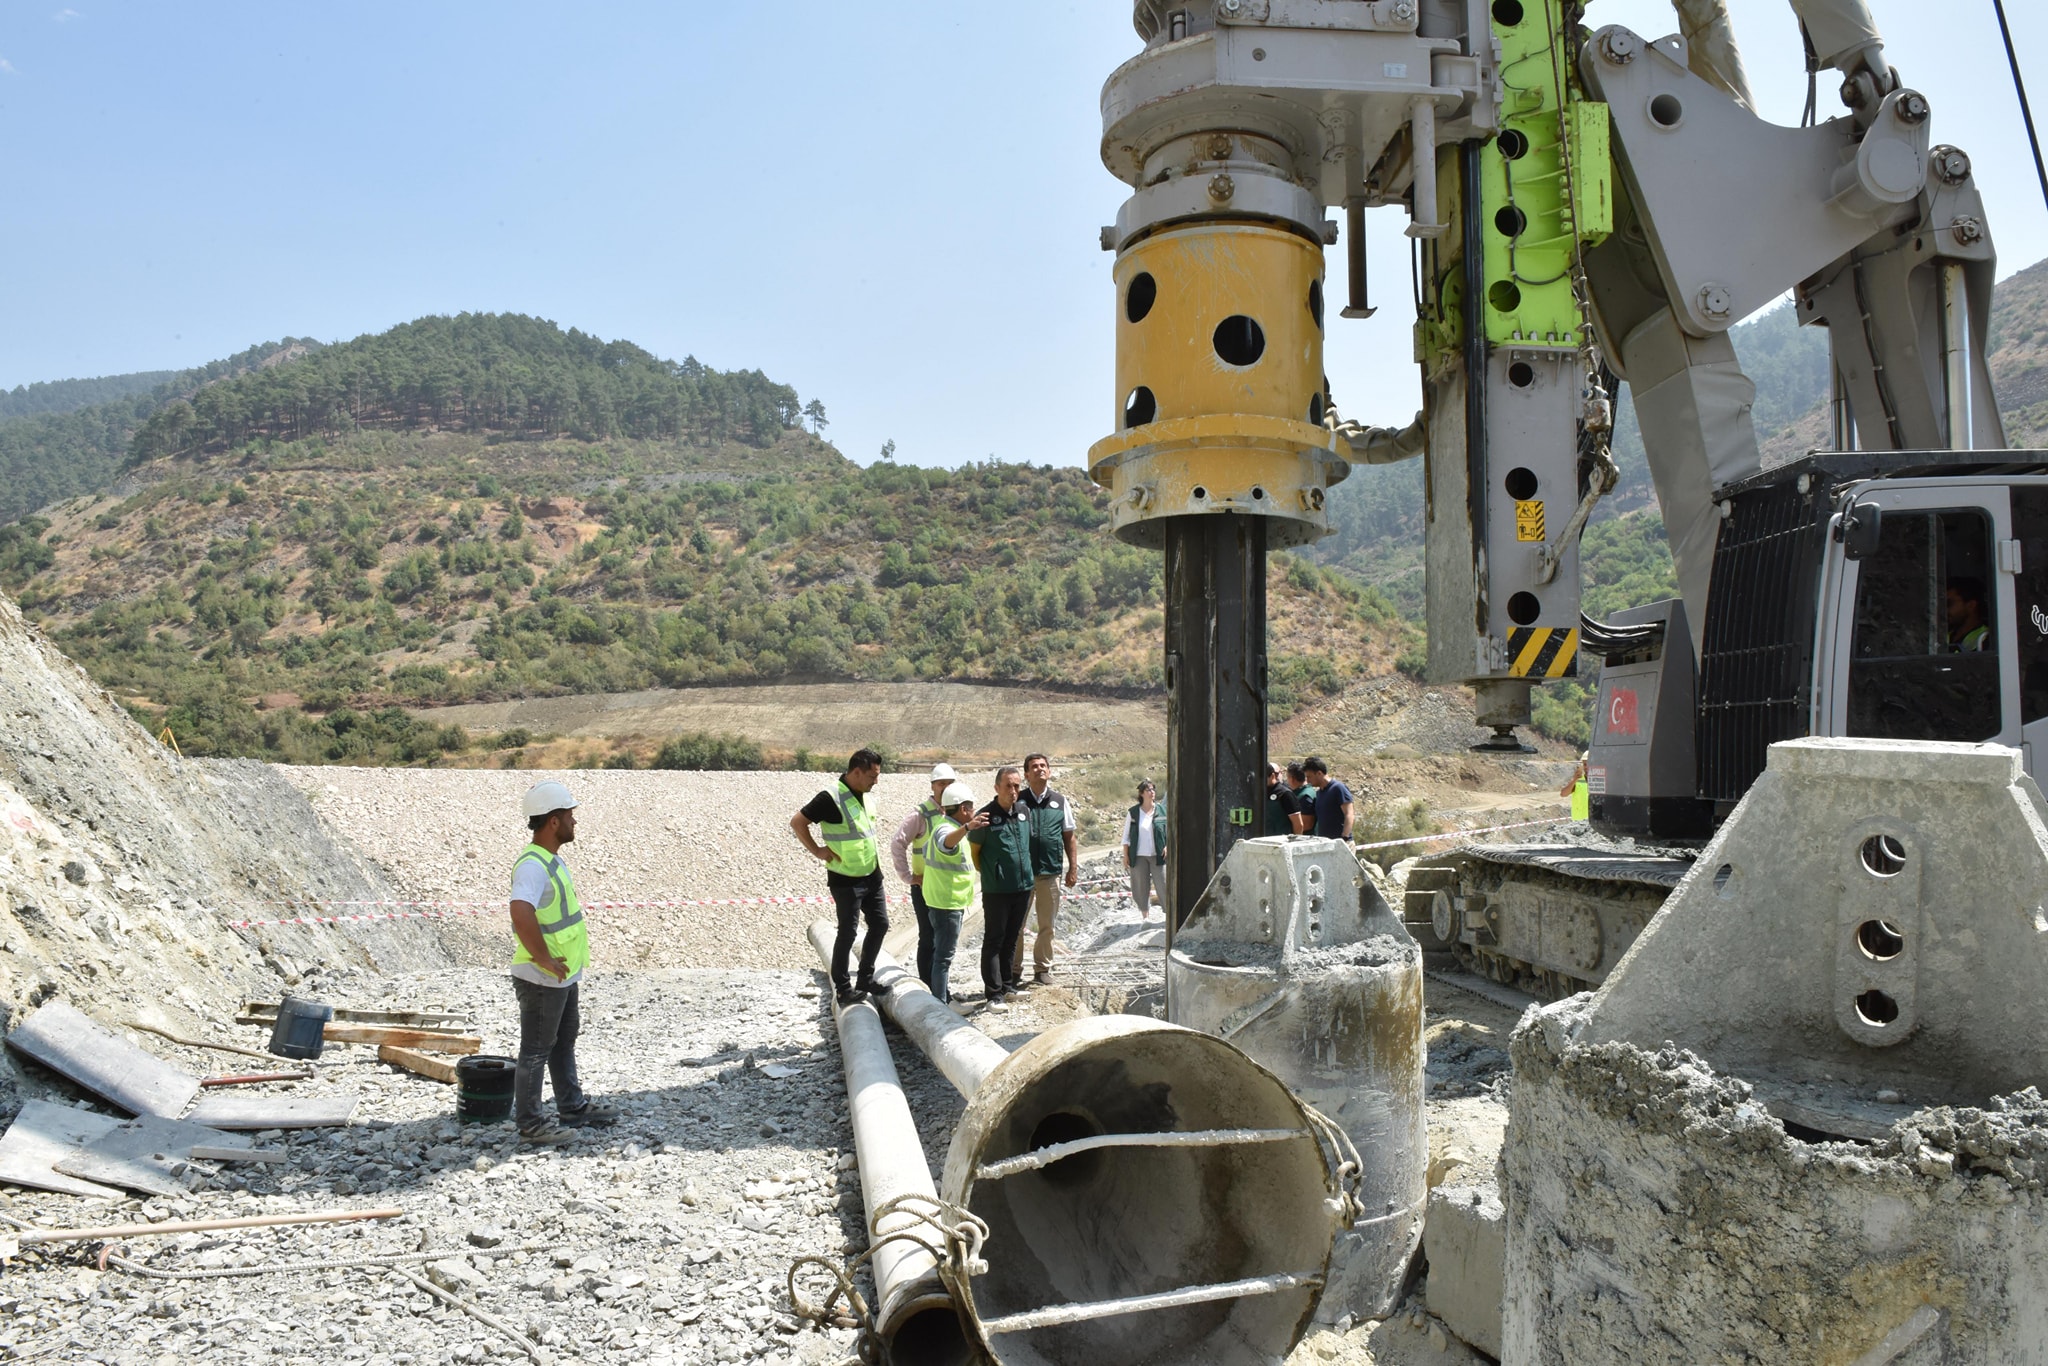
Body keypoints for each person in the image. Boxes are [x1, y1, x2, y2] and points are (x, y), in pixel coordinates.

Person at [508, 780, 617, 1144]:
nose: (574, 821)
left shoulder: (549, 860)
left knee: (562, 1040)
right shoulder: (533, 865)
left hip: (560, 974)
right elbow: (520, 911)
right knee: (536, 1050)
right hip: (541, 976)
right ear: (553, 821)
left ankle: (571, 1107)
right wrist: (542, 958)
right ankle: (532, 1125)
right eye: (569, 815)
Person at [790, 748, 886, 1005]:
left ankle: (865, 979)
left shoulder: (865, 795)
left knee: (880, 924)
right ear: (856, 772)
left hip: (871, 873)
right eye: (872, 776)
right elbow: (798, 822)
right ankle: (843, 989)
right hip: (846, 878)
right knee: (848, 932)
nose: (876, 781)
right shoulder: (830, 797)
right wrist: (818, 851)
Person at [888, 762, 960, 992]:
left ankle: (941, 989)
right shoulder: (921, 814)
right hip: (925, 886)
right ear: (933, 786)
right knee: (928, 937)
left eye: (950, 784)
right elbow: (898, 842)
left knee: (945, 942)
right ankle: (931, 990)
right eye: (942, 784)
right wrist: (908, 877)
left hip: (946, 887)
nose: (945, 788)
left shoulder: (956, 812)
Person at [969, 765, 1034, 1010]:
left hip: (1023, 886)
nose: (1013, 790)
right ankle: (993, 994)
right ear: (997, 787)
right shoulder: (985, 817)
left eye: (1017, 785)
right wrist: (992, 872)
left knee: (1012, 938)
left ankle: (1008, 986)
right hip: (997, 889)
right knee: (994, 940)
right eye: (1008, 785)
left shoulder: (1024, 812)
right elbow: (975, 853)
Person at [1012, 753, 1078, 986]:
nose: (1040, 769)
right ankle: (1013, 970)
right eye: (1034, 767)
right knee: (1016, 924)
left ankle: (1042, 969)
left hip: (1050, 873)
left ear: (1049, 771)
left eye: (1043, 766)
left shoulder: (1060, 801)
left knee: (1046, 925)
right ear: (1027, 774)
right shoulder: (1017, 801)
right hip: (1022, 874)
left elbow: (1069, 836)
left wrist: (1072, 867)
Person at [918, 782, 986, 1003]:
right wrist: (968, 828)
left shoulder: (943, 823)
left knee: (941, 956)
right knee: (943, 959)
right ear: (964, 809)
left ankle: (940, 998)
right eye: (971, 808)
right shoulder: (947, 829)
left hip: (941, 901)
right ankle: (940, 1005)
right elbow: (945, 843)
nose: (974, 812)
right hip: (946, 904)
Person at [1121, 779, 1167, 919]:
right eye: (1148, 790)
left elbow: (1170, 831)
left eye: (1153, 789)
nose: (1152, 792)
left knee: (1163, 884)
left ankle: (1168, 915)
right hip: (1138, 855)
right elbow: (1126, 836)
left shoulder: (1162, 810)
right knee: (1141, 887)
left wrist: (1167, 846)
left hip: (1158, 855)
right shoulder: (1133, 813)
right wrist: (1126, 855)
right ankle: (1145, 917)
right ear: (1141, 794)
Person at [1303, 756, 1355, 841]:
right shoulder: (1319, 793)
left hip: (1342, 844)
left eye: (1309, 777)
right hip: (1326, 844)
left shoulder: (1338, 788)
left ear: (1319, 773)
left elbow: (1349, 813)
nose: (1308, 781)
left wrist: (1345, 837)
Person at [1948, 577, 1992, 651]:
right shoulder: (1943, 635)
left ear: (1971, 605)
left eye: (1949, 603)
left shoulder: (1987, 638)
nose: (1944, 609)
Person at [1264, 761, 1308, 836]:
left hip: (1282, 840)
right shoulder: (1260, 793)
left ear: (1272, 776)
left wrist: (1295, 842)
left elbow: (1298, 824)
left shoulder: (1285, 794)